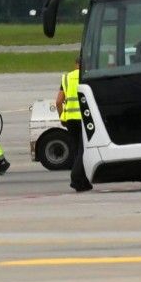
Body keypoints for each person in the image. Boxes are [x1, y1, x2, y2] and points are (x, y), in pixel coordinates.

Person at [55, 64, 90, 192]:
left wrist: (61, 116)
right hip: (84, 118)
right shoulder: (87, 75)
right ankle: (75, 178)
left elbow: (58, 101)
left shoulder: (66, 77)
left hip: (70, 119)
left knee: (76, 150)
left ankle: (83, 182)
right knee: (83, 150)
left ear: (75, 65)